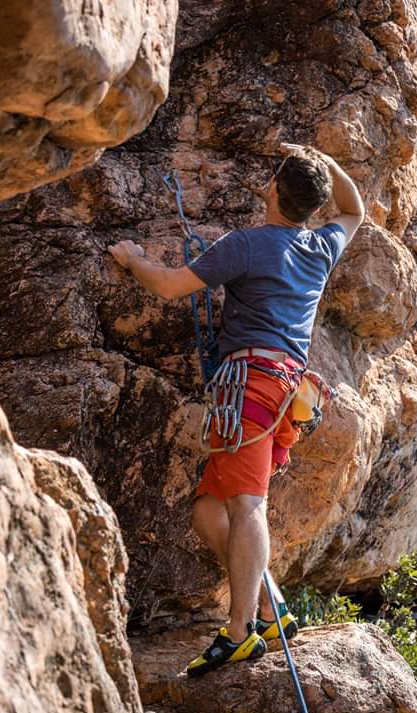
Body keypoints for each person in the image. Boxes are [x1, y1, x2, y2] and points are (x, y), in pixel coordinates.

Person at [108, 143, 364, 678]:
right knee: (208, 511)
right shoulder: (319, 246)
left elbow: (172, 286)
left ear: (272, 190)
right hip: (284, 392)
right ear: (313, 206)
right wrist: (325, 162)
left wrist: (133, 258)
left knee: (248, 507)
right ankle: (270, 610)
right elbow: (354, 210)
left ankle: (240, 631)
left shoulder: (246, 245)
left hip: (248, 390)